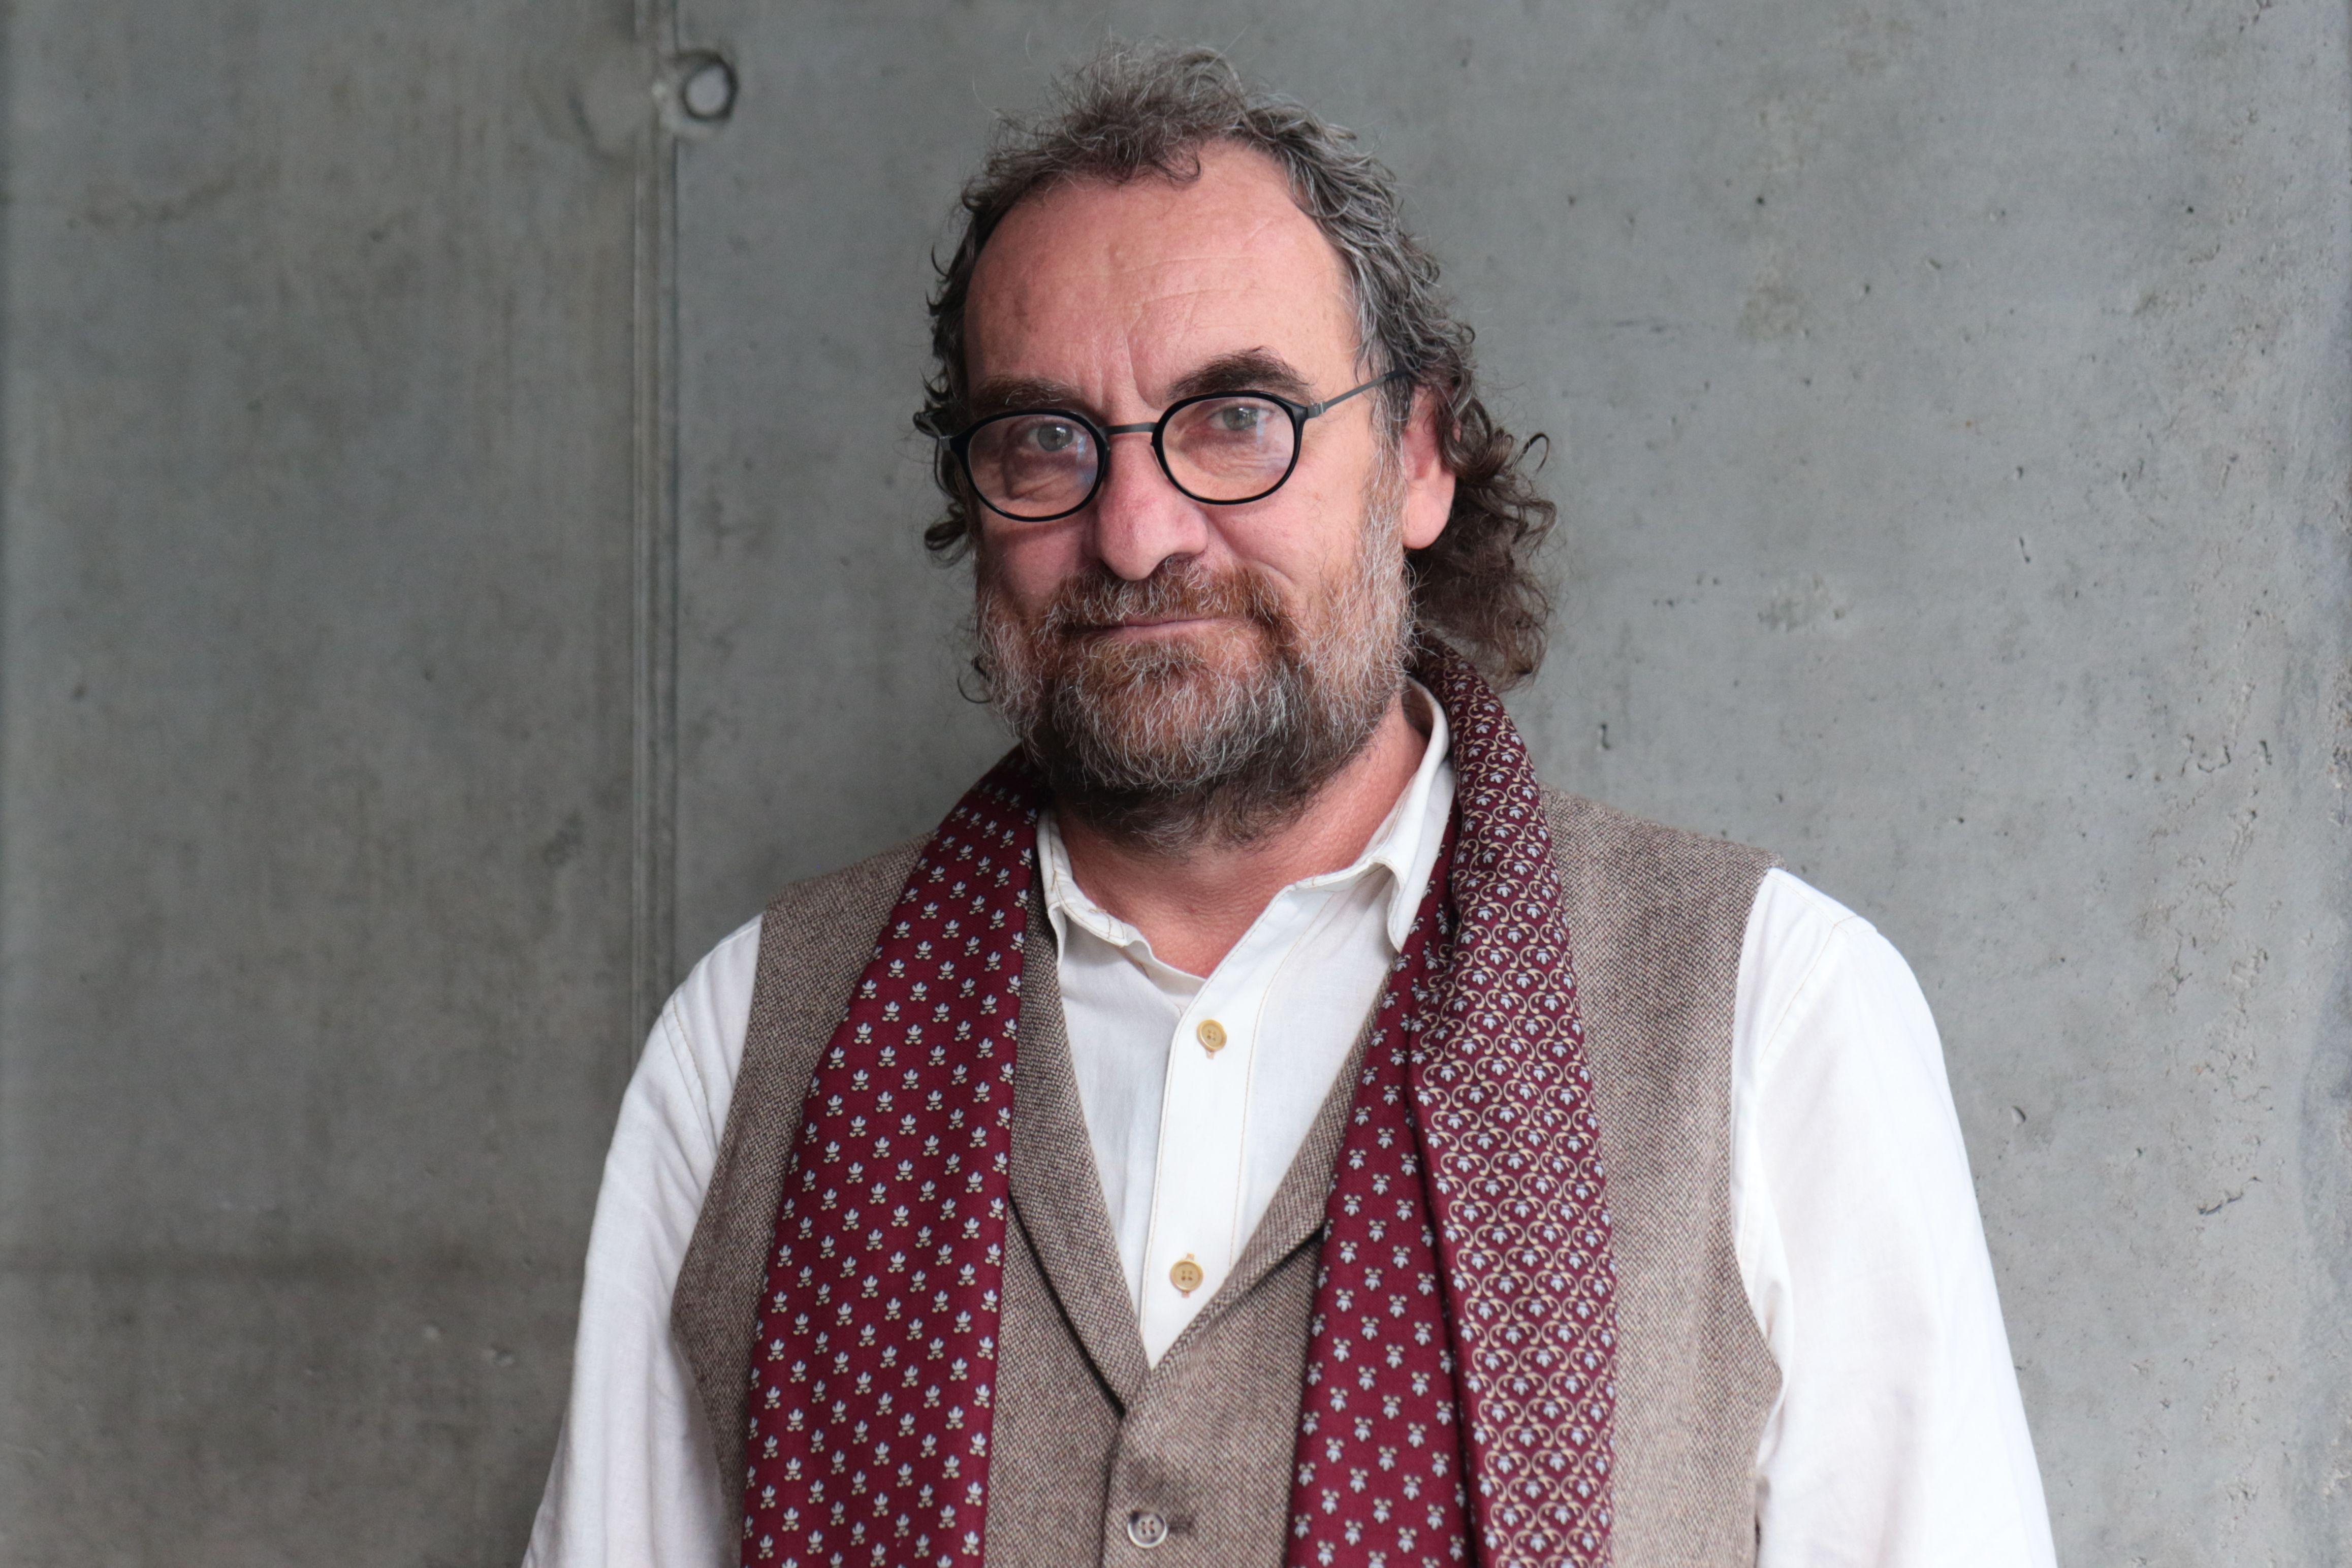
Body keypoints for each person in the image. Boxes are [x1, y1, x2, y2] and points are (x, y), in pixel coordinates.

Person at [524, 43, 2056, 1568]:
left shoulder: (1771, 1017)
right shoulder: (752, 1045)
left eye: (1238, 418)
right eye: (1046, 440)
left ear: (1418, 460)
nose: (1137, 533)